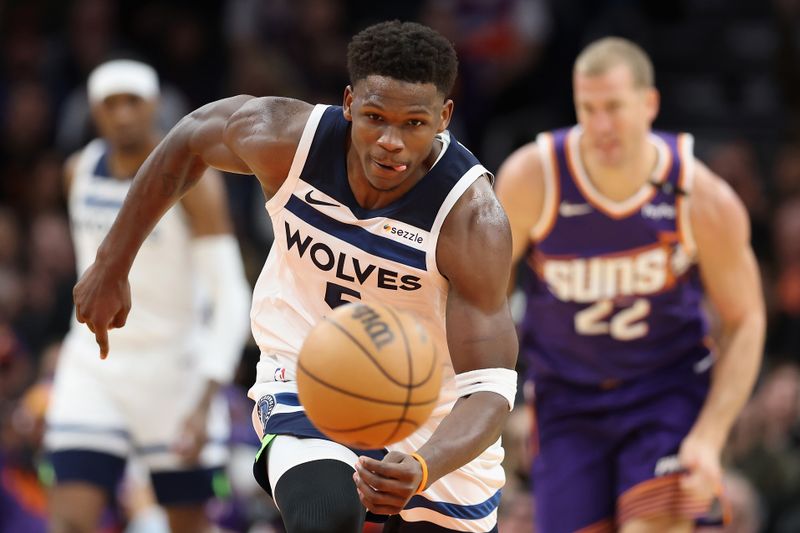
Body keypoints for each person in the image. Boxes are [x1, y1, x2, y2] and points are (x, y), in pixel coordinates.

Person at [71, 21, 519, 533]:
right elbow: (189, 138)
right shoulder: (286, 140)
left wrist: (425, 464)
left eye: (414, 124)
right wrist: (111, 263)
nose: (391, 142)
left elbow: (490, 386)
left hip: (433, 410)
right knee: (324, 518)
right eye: (374, 117)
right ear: (349, 103)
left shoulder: (470, 220)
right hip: (308, 369)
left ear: (444, 117)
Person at [494, 37, 766, 533]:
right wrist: (497, 392)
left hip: (666, 393)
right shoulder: (533, 178)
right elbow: (481, 293)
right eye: (587, 108)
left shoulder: (699, 194)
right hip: (565, 400)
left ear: (649, 104)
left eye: (614, 107)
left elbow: (746, 320)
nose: (600, 125)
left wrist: (709, 435)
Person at [44, 59, 252, 533]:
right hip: (95, 369)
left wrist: (205, 398)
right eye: (110, 104)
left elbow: (230, 294)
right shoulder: (78, 171)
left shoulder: (194, 182)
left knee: (187, 524)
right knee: (69, 520)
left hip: (174, 372)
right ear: (93, 111)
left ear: (155, 106)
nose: (122, 115)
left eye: (132, 102)